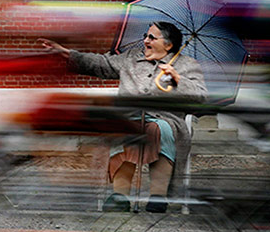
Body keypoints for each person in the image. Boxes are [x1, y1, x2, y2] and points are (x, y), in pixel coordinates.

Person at [37, 21, 207, 213]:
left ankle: (158, 197)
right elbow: (101, 63)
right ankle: (120, 196)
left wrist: (178, 79)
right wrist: (67, 54)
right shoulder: (131, 59)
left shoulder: (186, 65)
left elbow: (201, 97)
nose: (145, 40)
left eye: (151, 37)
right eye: (146, 35)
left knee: (160, 130)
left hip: (165, 118)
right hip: (130, 116)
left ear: (168, 45)